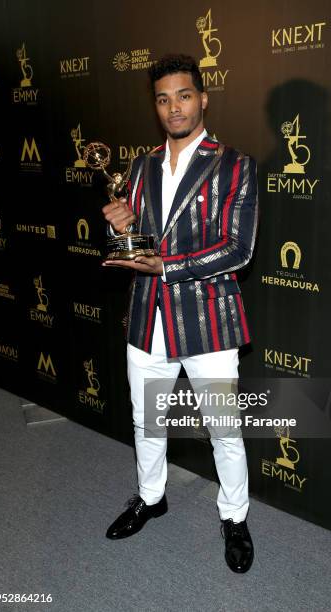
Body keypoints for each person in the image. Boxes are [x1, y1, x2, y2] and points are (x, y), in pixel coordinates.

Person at [102, 54, 259, 573]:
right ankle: (151, 497)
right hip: (148, 319)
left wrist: (164, 266)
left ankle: (234, 516)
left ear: (203, 99)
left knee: (223, 428)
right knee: (146, 421)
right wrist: (121, 227)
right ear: (157, 106)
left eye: (184, 96)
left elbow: (238, 250)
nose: (175, 107)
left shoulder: (234, 164)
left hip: (208, 321)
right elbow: (142, 243)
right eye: (164, 98)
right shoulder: (141, 166)